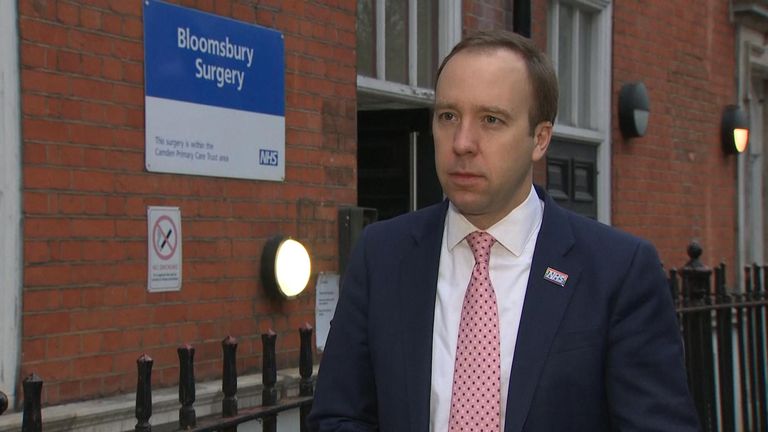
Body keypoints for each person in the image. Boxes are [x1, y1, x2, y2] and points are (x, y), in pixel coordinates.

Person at [308, 30, 700, 431]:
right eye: (448, 117)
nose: (462, 142)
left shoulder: (619, 270)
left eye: (491, 120)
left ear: (540, 139)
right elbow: (337, 416)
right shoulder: (382, 254)